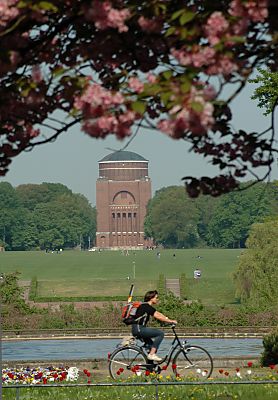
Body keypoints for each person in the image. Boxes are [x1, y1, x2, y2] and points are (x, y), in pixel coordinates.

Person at [131, 290, 177, 362]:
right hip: (139, 329)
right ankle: (151, 354)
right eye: (156, 297)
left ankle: (150, 369)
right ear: (151, 298)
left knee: (151, 347)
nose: (157, 299)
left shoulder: (145, 306)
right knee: (160, 333)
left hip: (137, 329)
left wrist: (168, 319)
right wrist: (171, 321)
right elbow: (158, 316)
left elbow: (159, 314)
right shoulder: (146, 306)